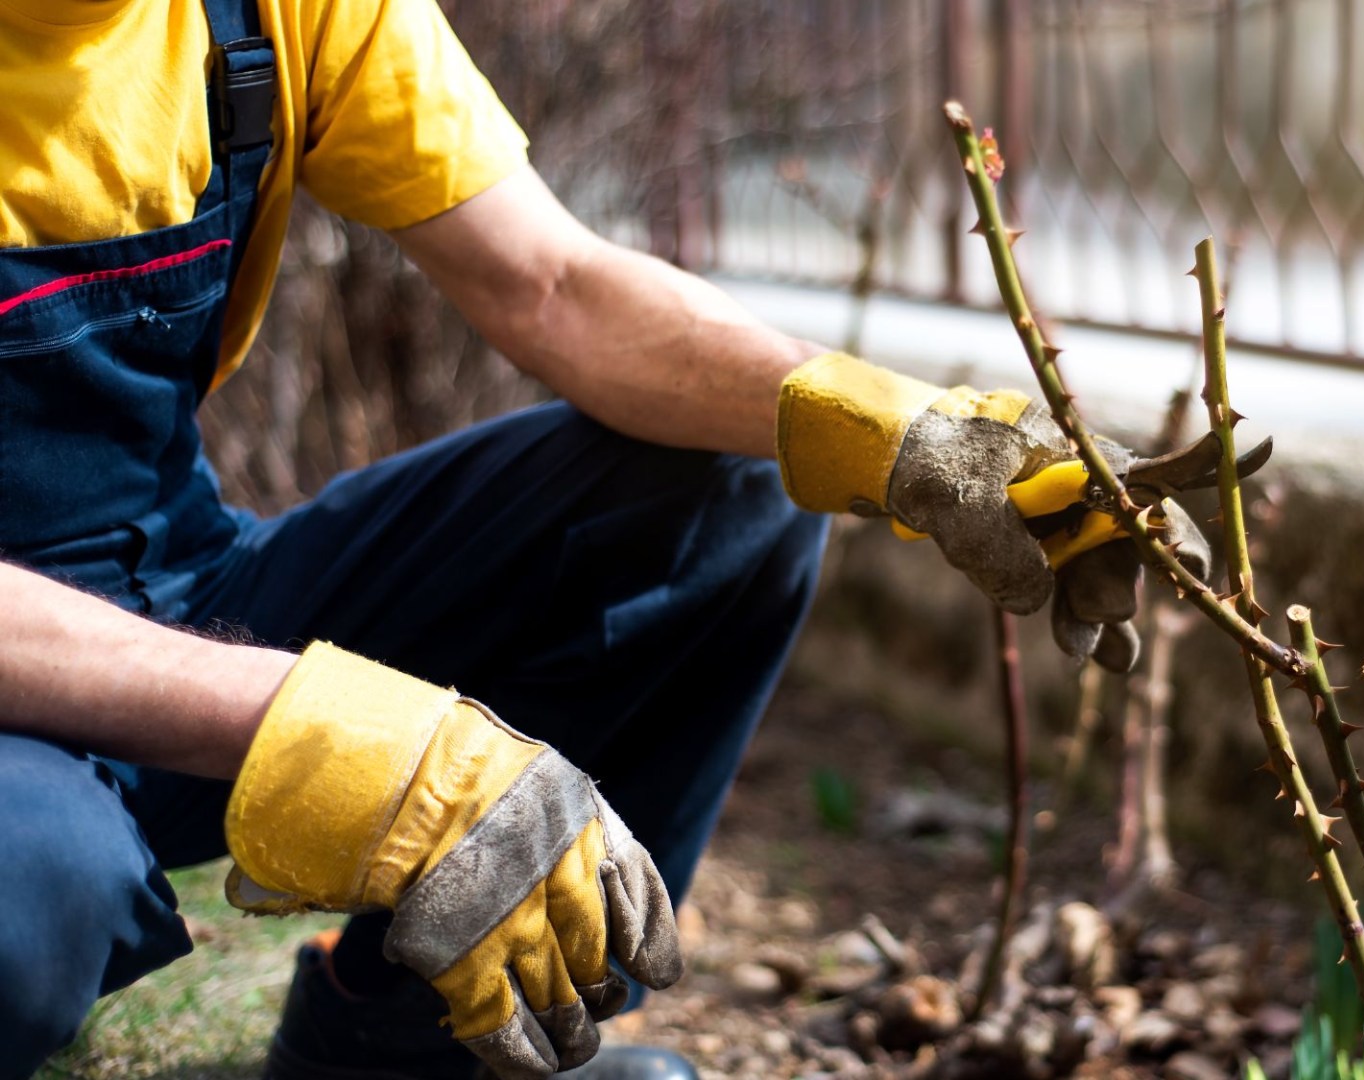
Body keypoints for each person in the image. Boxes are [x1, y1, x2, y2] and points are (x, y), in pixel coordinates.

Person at [0, 0, 1209, 1076]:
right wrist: (329, 736)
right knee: (30, 888)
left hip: (178, 583)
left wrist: (894, 432)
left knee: (725, 484)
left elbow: (555, 284)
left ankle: (420, 1049)